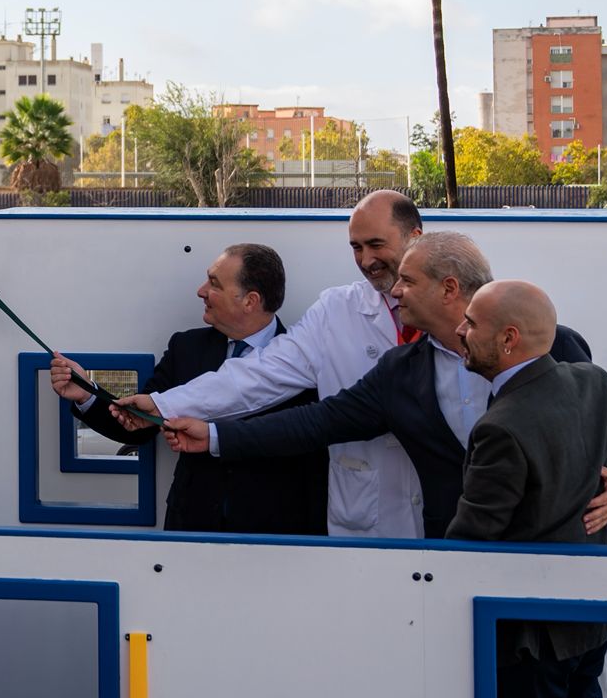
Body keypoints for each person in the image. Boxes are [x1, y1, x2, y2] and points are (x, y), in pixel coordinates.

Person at [161, 232, 607, 539]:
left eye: (407, 281)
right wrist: (217, 436)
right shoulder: (401, 371)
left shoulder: (552, 343)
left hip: (564, 561)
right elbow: (317, 421)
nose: (393, 291)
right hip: (457, 561)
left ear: (449, 289)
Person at [113, 190, 429, 537]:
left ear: (415, 237)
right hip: (366, 521)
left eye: (376, 244)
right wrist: (161, 403)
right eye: (356, 247)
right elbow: (258, 375)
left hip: (438, 517)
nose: (366, 260)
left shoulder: (459, 311)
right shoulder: (336, 310)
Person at [445, 280, 607, 698]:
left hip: (530, 640)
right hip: (592, 620)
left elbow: (470, 540)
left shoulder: (500, 428)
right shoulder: (592, 383)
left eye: (471, 323)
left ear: (508, 340)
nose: (460, 330)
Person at [49, 244, 328, 534]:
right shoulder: (186, 348)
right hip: (191, 525)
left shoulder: (307, 365)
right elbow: (138, 423)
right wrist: (85, 393)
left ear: (250, 300)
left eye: (214, 283)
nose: (201, 290)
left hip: (277, 537)